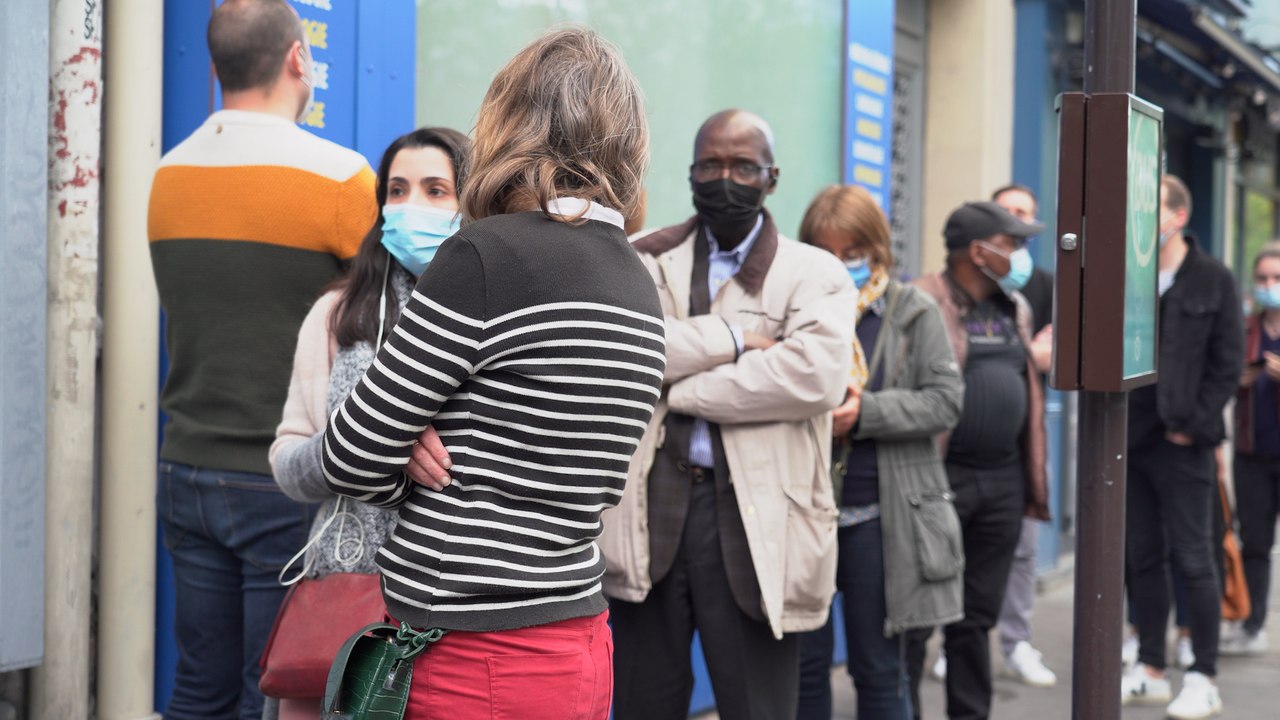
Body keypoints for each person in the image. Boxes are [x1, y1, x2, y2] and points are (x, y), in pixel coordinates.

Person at [318, 27, 660, 719]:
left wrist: (404, 452)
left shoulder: (485, 256)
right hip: (578, 641)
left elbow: (348, 455)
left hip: (476, 655)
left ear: (509, 123)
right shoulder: (636, 278)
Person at [146, 1, 377, 716]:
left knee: (199, 685)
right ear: (297, 60)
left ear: (214, 71)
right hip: (281, 481)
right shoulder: (340, 178)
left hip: (186, 468)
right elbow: (382, 321)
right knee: (269, 690)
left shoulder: (168, 176)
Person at [602, 109, 855, 720]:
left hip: (754, 520)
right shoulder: (641, 258)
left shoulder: (813, 272)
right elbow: (627, 354)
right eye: (711, 164)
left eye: (744, 166)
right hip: (651, 511)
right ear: (690, 174)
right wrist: (736, 340)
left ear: (771, 177)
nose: (725, 178)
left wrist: (679, 391)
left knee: (758, 706)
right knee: (642, 702)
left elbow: (814, 376)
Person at [267, 126, 469, 719]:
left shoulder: (495, 317)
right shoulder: (338, 313)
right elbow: (288, 463)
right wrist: (365, 444)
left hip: (456, 606)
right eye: (398, 190)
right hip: (348, 601)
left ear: (472, 202)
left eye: (437, 190)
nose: (412, 208)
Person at [794, 185, 965, 720]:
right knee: (803, 671)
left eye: (853, 252)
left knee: (879, 669)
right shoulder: (798, 308)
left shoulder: (914, 310)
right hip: (806, 515)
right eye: (828, 253)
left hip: (882, 518)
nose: (843, 264)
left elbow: (944, 401)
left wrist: (865, 414)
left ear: (877, 248)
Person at [906, 201, 1051, 720]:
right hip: (939, 481)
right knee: (917, 617)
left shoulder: (1015, 308)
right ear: (978, 251)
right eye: (1011, 244)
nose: (1018, 255)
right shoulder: (921, 301)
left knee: (975, 619)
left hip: (1004, 482)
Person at [1120, 175, 1242, 719]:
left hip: (1185, 441)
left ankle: (1203, 675)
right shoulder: (1132, 275)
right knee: (1142, 557)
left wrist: (1191, 425)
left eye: (1149, 210)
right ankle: (1150, 668)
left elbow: (1227, 363)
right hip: (1133, 439)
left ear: (1177, 216)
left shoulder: (1213, 278)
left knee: (1195, 557)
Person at [990, 183, 1058, 688]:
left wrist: (1000, 352)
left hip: (1028, 437)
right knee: (964, 543)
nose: (1016, 220)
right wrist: (1025, 351)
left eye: (1025, 214)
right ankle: (959, 639)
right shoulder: (968, 283)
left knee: (1023, 546)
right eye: (1007, 211)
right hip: (971, 436)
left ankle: (1016, 642)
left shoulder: (1048, 287)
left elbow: (1058, 357)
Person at [1223, 241, 1280, 657]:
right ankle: (1253, 623)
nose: (1269, 285)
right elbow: (1218, 375)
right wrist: (1236, 380)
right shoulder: (1245, 330)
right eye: (1262, 278)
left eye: (1276, 279)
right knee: (1255, 543)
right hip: (1252, 454)